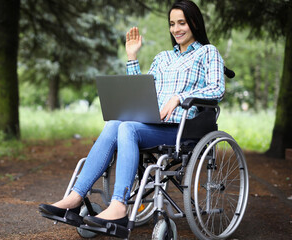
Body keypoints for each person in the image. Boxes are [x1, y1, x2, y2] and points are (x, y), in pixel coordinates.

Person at [39, 0, 225, 228]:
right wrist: (132, 57)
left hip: (183, 129)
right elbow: (141, 91)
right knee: (114, 123)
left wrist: (179, 98)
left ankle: (118, 206)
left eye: (182, 23)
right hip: (154, 124)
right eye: (172, 24)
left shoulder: (208, 52)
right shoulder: (163, 57)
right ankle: (75, 197)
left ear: (194, 23)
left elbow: (217, 88)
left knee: (126, 127)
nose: (176, 29)